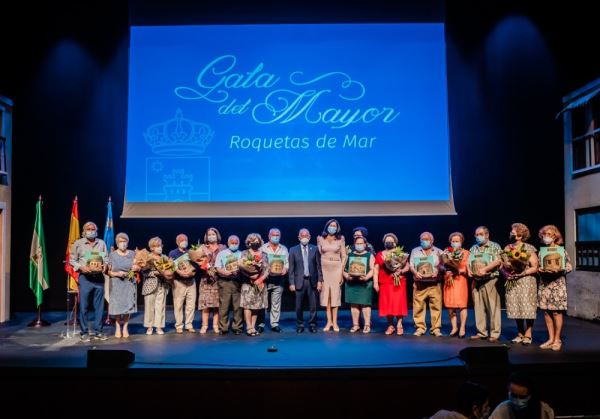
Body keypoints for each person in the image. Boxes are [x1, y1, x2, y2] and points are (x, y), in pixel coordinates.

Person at [69, 221, 109, 342]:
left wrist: (105, 265)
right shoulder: (78, 243)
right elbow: (72, 260)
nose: (91, 231)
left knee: (99, 307)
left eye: (93, 229)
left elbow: (106, 258)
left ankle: (98, 331)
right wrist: (81, 267)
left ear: (96, 231)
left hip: (99, 278)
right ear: (84, 231)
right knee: (84, 306)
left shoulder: (101, 243)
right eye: (88, 229)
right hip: (85, 278)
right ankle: (84, 332)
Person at [501, 223, 539, 345]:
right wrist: (505, 273)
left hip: (526, 281)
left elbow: (535, 267)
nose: (512, 233)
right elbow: (501, 265)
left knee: (527, 307)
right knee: (516, 306)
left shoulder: (529, 248)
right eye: (512, 231)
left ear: (521, 234)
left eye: (515, 231)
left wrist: (522, 273)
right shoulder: (507, 248)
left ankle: (528, 333)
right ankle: (520, 333)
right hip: (512, 280)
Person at [537, 225, 571, 351]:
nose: (547, 237)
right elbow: (539, 267)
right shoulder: (542, 252)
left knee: (557, 312)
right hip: (545, 284)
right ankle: (550, 339)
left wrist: (561, 269)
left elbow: (569, 266)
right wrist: (540, 270)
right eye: (545, 234)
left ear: (555, 236)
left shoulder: (561, 251)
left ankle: (557, 339)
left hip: (557, 284)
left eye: (550, 234)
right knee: (546, 312)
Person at [468, 226, 503, 342]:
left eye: (481, 234)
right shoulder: (473, 248)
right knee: (478, 307)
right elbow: (469, 262)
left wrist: (485, 269)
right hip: (476, 280)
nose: (478, 236)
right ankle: (481, 332)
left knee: (493, 307)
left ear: (487, 235)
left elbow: (498, 261)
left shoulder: (495, 246)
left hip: (490, 280)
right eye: (476, 234)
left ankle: (494, 333)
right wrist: (469, 270)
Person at [288, 228, 323, 333]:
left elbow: (318, 266)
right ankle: (300, 324)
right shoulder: (293, 250)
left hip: (312, 281)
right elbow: (291, 269)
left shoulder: (315, 249)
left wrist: (320, 281)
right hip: (299, 281)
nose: (304, 237)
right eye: (302, 236)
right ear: (299, 237)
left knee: (313, 305)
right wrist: (291, 283)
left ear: (309, 237)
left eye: (306, 236)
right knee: (299, 306)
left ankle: (312, 324)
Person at [374, 233, 409, 336]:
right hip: (385, 283)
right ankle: (390, 325)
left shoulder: (400, 254)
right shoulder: (380, 254)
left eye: (391, 241)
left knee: (398, 304)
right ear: (384, 243)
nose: (388, 243)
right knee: (387, 305)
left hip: (398, 282)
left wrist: (401, 271)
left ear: (395, 243)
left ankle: (399, 325)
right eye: (386, 241)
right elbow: (376, 269)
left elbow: (407, 267)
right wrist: (375, 283)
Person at [410, 231, 444, 336]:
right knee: (418, 306)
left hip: (434, 283)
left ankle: (436, 328)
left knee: (436, 306)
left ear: (432, 240)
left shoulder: (439, 251)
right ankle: (420, 327)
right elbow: (411, 265)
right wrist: (415, 272)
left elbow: (444, 266)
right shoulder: (415, 251)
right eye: (422, 239)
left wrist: (438, 270)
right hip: (420, 283)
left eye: (426, 239)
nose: (423, 241)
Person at [317, 219, 347, 332]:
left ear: (337, 228)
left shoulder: (340, 239)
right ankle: (328, 322)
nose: (332, 227)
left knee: (335, 297)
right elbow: (320, 254)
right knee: (326, 297)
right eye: (331, 225)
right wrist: (318, 243)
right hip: (324, 269)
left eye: (334, 226)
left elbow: (344, 256)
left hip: (336, 269)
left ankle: (335, 322)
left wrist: (341, 273)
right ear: (327, 226)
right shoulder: (320, 238)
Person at [258, 228, 289, 333]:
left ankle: (274, 324)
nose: (275, 237)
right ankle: (261, 324)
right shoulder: (262, 248)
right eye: (273, 235)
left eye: (277, 235)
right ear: (269, 236)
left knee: (276, 303)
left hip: (279, 279)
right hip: (265, 279)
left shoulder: (283, 249)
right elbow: (259, 263)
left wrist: (285, 268)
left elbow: (287, 262)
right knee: (263, 303)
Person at [107, 232, 137, 338]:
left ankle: (125, 328)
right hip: (116, 283)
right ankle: (118, 327)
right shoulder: (112, 254)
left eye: (125, 241)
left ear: (127, 243)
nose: (123, 244)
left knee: (128, 306)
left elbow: (137, 266)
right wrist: (117, 274)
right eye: (120, 242)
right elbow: (108, 272)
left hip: (129, 283)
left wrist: (137, 268)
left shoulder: (133, 253)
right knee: (117, 306)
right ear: (117, 243)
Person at [238, 233, 269, 336]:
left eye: (257, 241)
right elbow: (241, 268)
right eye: (252, 241)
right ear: (248, 242)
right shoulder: (244, 253)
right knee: (247, 306)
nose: (255, 243)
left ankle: (253, 326)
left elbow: (267, 269)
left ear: (260, 242)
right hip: (248, 284)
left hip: (259, 284)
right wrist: (250, 276)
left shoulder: (264, 254)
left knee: (256, 306)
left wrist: (261, 278)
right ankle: (249, 327)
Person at [344, 236, 376, 333]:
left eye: (361, 244)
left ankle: (367, 325)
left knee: (365, 305)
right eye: (357, 244)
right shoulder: (349, 255)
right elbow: (344, 270)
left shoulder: (369, 255)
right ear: (354, 245)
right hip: (352, 284)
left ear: (365, 245)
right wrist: (348, 277)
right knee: (354, 305)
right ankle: (356, 325)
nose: (359, 245)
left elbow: (372, 270)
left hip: (364, 284)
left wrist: (366, 277)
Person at [198, 227, 225, 334]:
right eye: (209, 234)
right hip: (206, 279)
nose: (211, 236)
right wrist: (206, 267)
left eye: (213, 234)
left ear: (217, 235)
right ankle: (204, 326)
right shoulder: (202, 248)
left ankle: (215, 325)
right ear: (206, 236)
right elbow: (198, 260)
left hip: (219, 279)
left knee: (216, 305)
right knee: (205, 304)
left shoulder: (223, 247)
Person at [442, 232, 470, 338]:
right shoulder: (446, 252)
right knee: (450, 305)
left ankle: (462, 327)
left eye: (457, 241)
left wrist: (458, 270)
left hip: (460, 281)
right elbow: (442, 265)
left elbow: (468, 267)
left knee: (462, 305)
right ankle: (454, 327)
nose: (455, 243)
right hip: (449, 280)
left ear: (461, 242)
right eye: (453, 241)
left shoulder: (466, 253)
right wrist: (446, 270)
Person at [215, 235, 244, 335]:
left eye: (236, 243)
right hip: (225, 281)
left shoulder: (242, 254)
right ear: (228, 243)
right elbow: (218, 267)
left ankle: (238, 327)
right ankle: (223, 327)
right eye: (232, 243)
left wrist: (240, 271)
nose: (234, 244)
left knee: (238, 306)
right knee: (224, 306)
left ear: (239, 243)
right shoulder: (221, 253)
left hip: (237, 282)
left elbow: (245, 268)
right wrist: (224, 272)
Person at [168, 234, 197, 334]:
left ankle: (189, 324)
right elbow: (171, 266)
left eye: (185, 239)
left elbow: (196, 265)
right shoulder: (173, 253)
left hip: (191, 282)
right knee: (178, 305)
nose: (184, 241)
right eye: (181, 240)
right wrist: (180, 272)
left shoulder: (191, 252)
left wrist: (191, 272)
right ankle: (179, 325)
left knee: (191, 305)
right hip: (179, 282)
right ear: (177, 242)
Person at [142, 236, 170, 335]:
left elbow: (169, 270)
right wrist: (155, 273)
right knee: (149, 306)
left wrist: (167, 273)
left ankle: (159, 327)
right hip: (150, 284)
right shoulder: (147, 257)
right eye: (157, 246)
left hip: (162, 284)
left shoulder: (165, 257)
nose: (160, 247)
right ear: (151, 247)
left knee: (160, 306)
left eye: (160, 245)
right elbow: (144, 272)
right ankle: (149, 327)